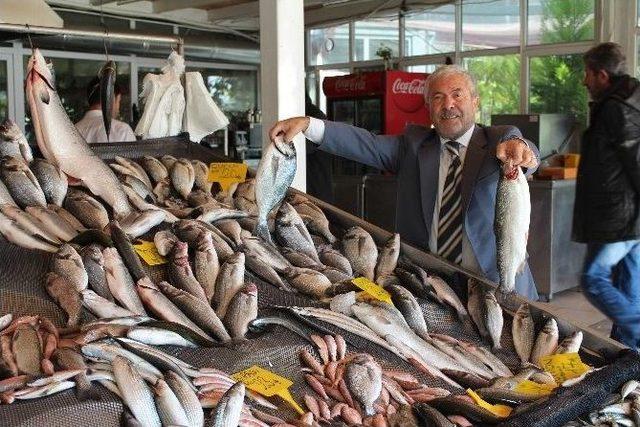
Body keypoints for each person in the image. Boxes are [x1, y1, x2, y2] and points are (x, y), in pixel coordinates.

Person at [270, 65, 540, 300]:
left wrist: (521, 150)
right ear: (429, 108)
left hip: (499, 281)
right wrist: (308, 124)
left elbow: (523, 151)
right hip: (434, 285)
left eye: (457, 95)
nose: (448, 104)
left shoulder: (497, 141)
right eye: (438, 97)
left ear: (475, 101)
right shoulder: (414, 146)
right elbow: (365, 143)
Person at [573, 42, 640, 350]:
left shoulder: (617, 108)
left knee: (593, 278)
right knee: (628, 285)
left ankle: (636, 333)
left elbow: (636, 160)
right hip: (627, 215)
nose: (584, 81)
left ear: (601, 74)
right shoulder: (626, 100)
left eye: (587, 73)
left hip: (619, 216)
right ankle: (629, 350)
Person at [75, 76, 136, 143]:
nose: (118, 109)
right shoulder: (121, 130)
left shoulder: (73, 130)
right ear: (111, 98)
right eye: (119, 101)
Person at [305, 93, 335, 204]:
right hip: (315, 186)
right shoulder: (313, 114)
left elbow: (301, 148)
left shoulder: (311, 118)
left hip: (315, 186)